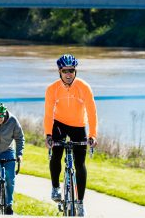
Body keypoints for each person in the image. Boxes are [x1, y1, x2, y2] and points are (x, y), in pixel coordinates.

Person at [43, 54, 98, 217]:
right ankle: (55, 188)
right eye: (65, 71)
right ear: (59, 71)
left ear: (75, 71)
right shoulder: (52, 89)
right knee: (56, 154)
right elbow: (48, 114)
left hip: (78, 126)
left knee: (80, 164)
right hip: (59, 124)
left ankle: (80, 203)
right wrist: (48, 135)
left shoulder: (84, 87)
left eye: (72, 71)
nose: (68, 74)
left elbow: (92, 113)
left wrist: (93, 135)